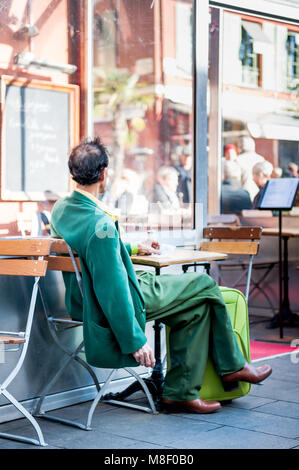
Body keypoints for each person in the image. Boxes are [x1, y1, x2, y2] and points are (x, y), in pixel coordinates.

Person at [50, 137, 272, 414]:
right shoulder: (101, 222)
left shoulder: (61, 209)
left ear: (73, 174)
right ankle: (232, 366)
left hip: (85, 298)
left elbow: (94, 249)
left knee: (196, 309)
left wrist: (131, 246)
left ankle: (181, 392)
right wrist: (135, 340)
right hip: (115, 298)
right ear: (104, 173)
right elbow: (113, 288)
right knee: (204, 283)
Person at [237, 136, 266, 201]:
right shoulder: (261, 159)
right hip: (259, 195)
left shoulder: (238, 160)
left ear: (241, 146)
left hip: (244, 196)